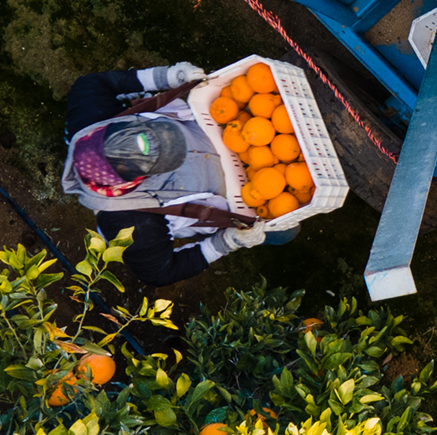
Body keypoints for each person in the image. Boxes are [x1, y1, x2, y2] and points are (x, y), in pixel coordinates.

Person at [62, 63, 277, 286]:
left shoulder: (89, 114)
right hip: (247, 194)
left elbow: (94, 83)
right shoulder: (130, 226)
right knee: (283, 231)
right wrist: (226, 243)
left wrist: (168, 77)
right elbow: (159, 273)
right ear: (133, 183)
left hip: (237, 126)